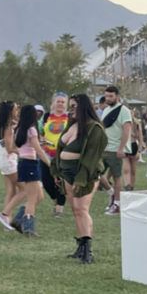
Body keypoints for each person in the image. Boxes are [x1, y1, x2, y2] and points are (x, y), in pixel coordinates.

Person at [51, 94, 106, 263]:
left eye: (74, 106)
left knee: (82, 209)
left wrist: (81, 179)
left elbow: (91, 157)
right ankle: (81, 246)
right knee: (75, 210)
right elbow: (60, 149)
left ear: (83, 107)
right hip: (66, 173)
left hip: (86, 174)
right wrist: (57, 171)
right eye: (70, 106)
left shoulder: (95, 128)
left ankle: (88, 251)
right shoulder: (72, 125)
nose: (71, 110)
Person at [9, 103, 45, 236]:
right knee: (32, 199)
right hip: (30, 164)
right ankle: (29, 229)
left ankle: (17, 219)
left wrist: (24, 152)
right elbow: (38, 150)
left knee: (39, 197)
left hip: (23, 163)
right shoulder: (32, 130)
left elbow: (12, 148)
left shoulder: (19, 130)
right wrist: (49, 163)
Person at [97, 84, 132, 216]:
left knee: (117, 177)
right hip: (104, 148)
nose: (108, 98)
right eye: (106, 96)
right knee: (95, 173)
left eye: (111, 96)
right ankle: (111, 192)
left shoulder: (124, 110)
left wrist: (121, 148)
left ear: (117, 96)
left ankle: (117, 204)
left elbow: (127, 130)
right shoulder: (106, 110)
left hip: (115, 149)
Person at [37, 92, 69, 219]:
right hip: (46, 154)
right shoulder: (46, 117)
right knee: (47, 183)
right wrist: (41, 138)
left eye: (63, 102)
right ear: (53, 103)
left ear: (66, 104)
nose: (60, 104)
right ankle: (56, 201)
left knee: (61, 182)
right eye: (58, 101)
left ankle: (60, 208)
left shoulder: (70, 118)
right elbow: (40, 131)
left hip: (64, 155)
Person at [0, 100, 20, 228]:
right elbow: (10, 148)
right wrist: (25, 152)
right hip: (9, 162)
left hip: (3, 161)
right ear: (10, 111)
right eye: (15, 109)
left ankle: (7, 222)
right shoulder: (7, 128)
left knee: (11, 191)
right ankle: (5, 214)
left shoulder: (2, 126)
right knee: (25, 189)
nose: (17, 111)